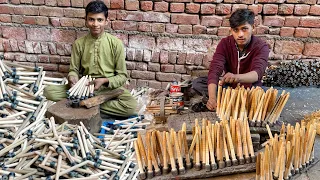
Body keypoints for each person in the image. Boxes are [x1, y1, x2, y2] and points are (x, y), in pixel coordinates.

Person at [67, 0, 137, 117]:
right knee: (50, 92)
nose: (95, 24)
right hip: (85, 88)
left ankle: (86, 105)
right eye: (91, 19)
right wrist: (72, 77)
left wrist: (104, 81)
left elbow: (122, 76)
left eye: (100, 20)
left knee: (131, 106)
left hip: (108, 88)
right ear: (86, 21)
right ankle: (90, 104)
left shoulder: (116, 43)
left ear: (106, 21)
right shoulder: (78, 44)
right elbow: (73, 70)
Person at [192, 9, 269, 111]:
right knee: (198, 83)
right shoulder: (225, 43)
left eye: (244, 29)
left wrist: (236, 77)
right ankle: (230, 102)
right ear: (231, 30)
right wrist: (212, 98)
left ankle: (229, 103)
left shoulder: (261, 46)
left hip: (249, 88)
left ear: (253, 28)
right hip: (229, 88)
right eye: (235, 30)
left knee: (262, 93)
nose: (240, 34)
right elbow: (215, 70)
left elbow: (257, 74)